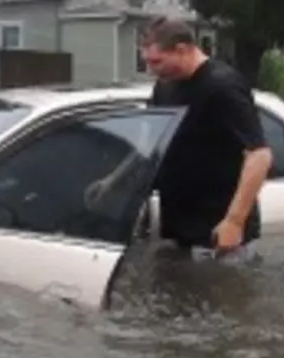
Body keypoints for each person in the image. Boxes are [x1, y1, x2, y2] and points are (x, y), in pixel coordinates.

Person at [85, 16, 273, 264]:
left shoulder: (222, 86)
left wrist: (234, 222)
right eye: (147, 63)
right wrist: (113, 181)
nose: (151, 70)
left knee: (225, 299)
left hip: (219, 235)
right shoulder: (165, 86)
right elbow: (152, 143)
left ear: (182, 50)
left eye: (156, 62)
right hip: (178, 227)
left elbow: (259, 155)